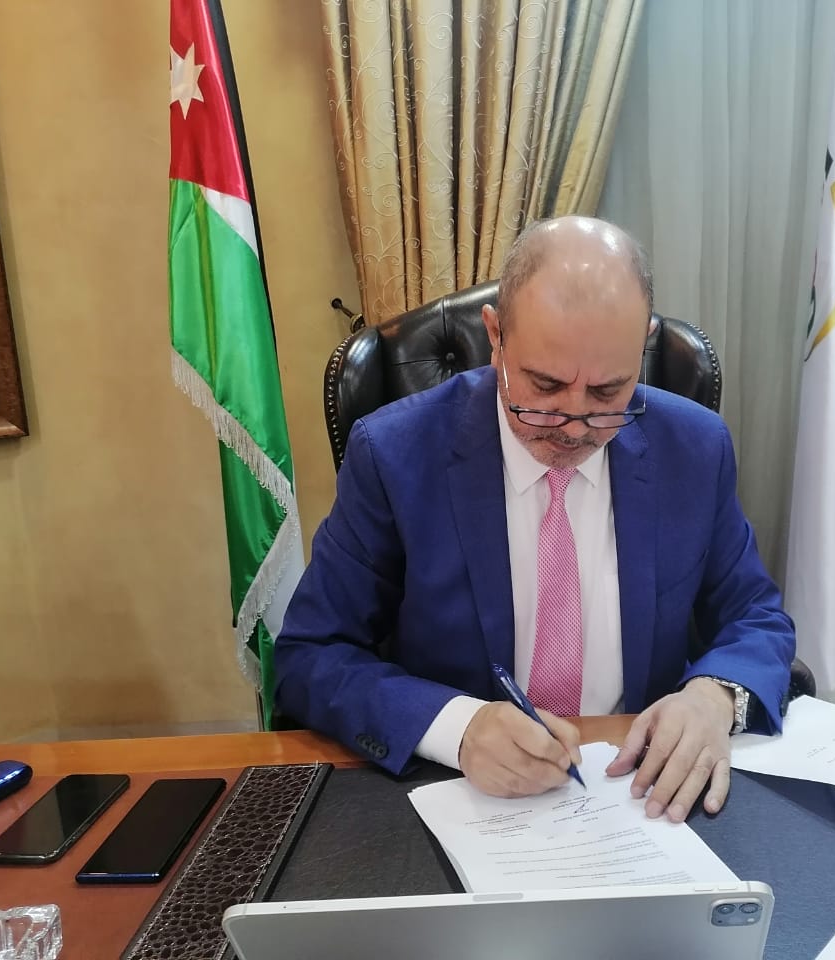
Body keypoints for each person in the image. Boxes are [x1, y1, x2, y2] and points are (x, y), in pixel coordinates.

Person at [275, 216, 795, 823]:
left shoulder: (695, 448)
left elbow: (756, 618)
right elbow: (311, 654)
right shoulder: (394, 454)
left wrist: (714, 698)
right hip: (458, 796)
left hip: (638, 797)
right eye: (545, 386)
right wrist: (459, 728)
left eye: (607, 392)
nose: (574, 425)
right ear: (495, 336)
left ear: (644, 346)